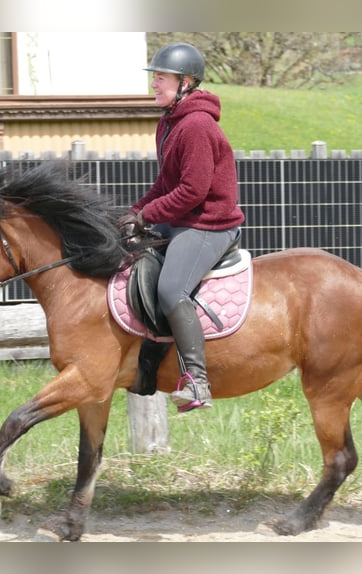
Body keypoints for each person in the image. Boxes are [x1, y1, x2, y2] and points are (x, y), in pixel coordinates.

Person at [120, 42, 245, 412]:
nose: (154, 85)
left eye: (161, 78)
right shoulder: (169, 123)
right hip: (181, 222)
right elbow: (165, 185)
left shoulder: (196, 126)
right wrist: (134, 212)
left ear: (185, 82)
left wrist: (147, 215)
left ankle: (197, 381)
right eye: (154, 78)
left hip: (209, 225)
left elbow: (193, 191)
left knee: (172, 289)